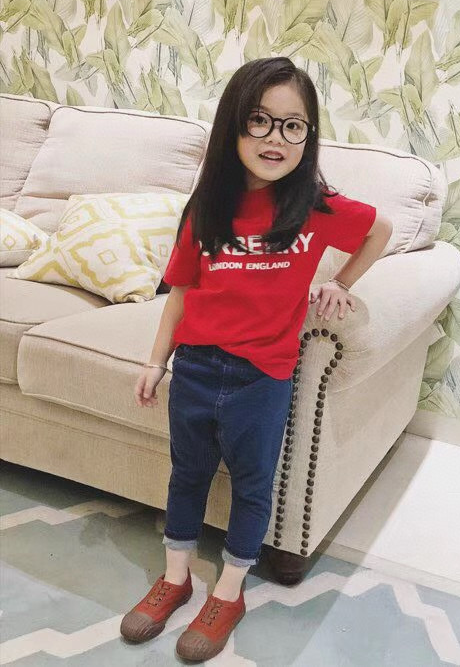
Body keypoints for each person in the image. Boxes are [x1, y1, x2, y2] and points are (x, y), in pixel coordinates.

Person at [119, 56, 392, 662]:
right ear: (233, 126)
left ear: (308, 136)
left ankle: (229, 591)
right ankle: (174, 578)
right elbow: (180, 293)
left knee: (251, 485)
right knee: (186, 475)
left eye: (293, 125)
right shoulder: (207, 208)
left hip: (262, 378)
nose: (276, 138)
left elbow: (381, 230)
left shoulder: (317, 206)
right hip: (195, 367)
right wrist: (156, 362)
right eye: (259, 120)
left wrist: (340, 281)